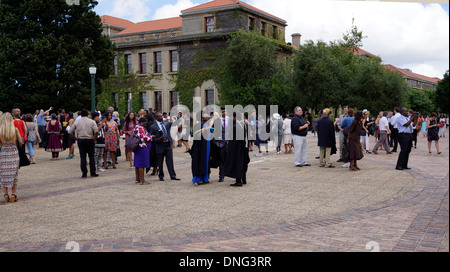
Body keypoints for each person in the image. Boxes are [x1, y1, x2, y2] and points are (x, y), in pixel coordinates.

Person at [190, 113, 220, 186]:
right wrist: (204, 129)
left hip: (207, 146)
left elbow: (212, 133)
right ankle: (196, 179)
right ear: (201, 117)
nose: (206, 117)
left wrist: (212, 130)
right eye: (205, 116)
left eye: (207, 116)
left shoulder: (207, 125)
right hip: (199, 147)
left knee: (206, 162)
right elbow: (197, 136)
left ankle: (205, 178)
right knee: (199, 161)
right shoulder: (197, 125)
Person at [149, 112, 180, 181]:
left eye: (161, 116)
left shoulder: (166, 123)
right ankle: (161, 176)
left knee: (170, 161)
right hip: (160, 145)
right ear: (156, 118)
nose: (161, 117)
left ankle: (173, 175)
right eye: (160, 116)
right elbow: (152, 138)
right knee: (160, 162)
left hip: (168, 144)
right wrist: (158, 139)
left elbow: (173, 125)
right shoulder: (153, 126)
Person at [69, 109, 99, 178]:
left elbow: (70, 131)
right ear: (88, 114)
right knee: (91, 156)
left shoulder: (77, 122)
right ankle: (93, 172)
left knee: (82, 157)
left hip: (81, 140)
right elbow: (96, 131)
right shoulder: (91, 121)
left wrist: (75, 138)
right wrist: (94, 139)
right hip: (89, 140)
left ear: (80, 114)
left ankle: (84, 173)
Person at [0, 113, 22, 203]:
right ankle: (13, 195)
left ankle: (6, 195)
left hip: (4, 153)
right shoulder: (15, 130)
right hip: (13, 153)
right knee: (14, 174)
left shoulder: (0, 131)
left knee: (3, 174)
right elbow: (20, 142)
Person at [224, 112, 250, 187]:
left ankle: (238, 180)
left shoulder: (236, 126)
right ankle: (243, 179)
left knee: (238, 163)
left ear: (235, 117)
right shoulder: (244, 124)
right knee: (243, 162)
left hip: (237, 148)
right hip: (244, 147)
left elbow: (234, 139)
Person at [133, 117, 153, 185]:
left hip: (138, 148)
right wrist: (151, 137)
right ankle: (142, 180)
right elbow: (142, 138)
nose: (146, 124)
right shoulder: (140, 128)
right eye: (145, 123)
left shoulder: (136, 127)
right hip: (142, 147)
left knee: (137, 164)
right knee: (141, 164)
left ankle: (138, 179)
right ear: (142, 122)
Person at [215, 107, 229, 182]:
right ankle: (221, 175)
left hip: (229, 142)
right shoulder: (217, 121)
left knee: (230, 159)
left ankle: (231, 173)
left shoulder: (230, 120)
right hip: (221, 143)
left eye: (225, 111)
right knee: (222, 160)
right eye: (222, 112)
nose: (224, 113)